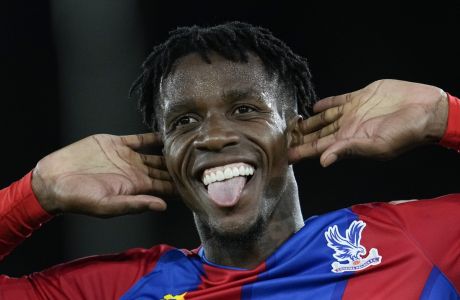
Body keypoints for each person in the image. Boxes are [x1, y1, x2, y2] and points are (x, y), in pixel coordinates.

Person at [0, 22, 458, 299]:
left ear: (294, 128)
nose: (213, 136)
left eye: (245, 110)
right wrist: (36, 194)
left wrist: (443, 116)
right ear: (166, 151)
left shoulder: (411, 244)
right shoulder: (120, 288)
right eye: (183, 121)